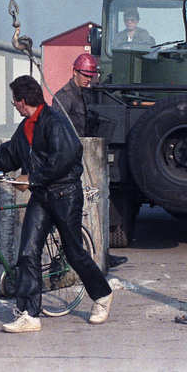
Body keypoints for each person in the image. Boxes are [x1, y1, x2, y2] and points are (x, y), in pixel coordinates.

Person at [0, 75, 113, 333]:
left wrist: (33, 177)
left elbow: (67, 156)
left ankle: (102, 295)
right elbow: (7, 157)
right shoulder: (26, 127)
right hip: (41, 196)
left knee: (74, 252)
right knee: (27, 252)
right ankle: (29, 314)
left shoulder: (54, 123)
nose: (14, 105)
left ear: (23, 100)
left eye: (15, 100)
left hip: (64, 195)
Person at [53, 54, 128, 269]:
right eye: (85, 75)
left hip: (88, 157)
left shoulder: (84, 95)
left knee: (99, 206)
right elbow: (59, 131)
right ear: (74, 72)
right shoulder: (63, 97)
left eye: (91, 75)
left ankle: (102, 254)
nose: (89, 79)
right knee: (81, 210)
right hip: (73, 160)